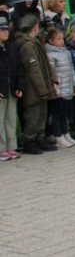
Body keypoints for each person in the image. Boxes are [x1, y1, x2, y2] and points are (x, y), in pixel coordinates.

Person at [15, 14, 57, 154]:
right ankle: (29, 141)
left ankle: (40, 138)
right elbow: (34, 70)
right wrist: (42, 90)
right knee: (33, 115)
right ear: (34, 27)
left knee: (42, 115)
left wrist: (52, 80)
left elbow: (45, 64)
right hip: (33, 89)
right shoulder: (27, 46)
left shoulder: (35, 42)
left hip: (41, 87)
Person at [44, 26, 75, 148]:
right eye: (58, 39)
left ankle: (66, 133)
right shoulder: (49, 55)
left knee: (64, 113)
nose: (62, 41)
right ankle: (58, 135)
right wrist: (56, 89)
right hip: (58, 89)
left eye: (62, 38)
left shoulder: (66, 52)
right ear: (50, 41)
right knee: (57, 113)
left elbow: (72, 70)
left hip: (68, 87)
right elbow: (51, 74)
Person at [0, 17, 22, 159]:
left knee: (11, 117)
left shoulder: (11, 47)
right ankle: (1, 147)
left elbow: (19, 68)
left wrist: (19, 85)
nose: (5, 32)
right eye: (2, 30)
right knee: (0, 119)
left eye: (6, 29)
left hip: (11, 86)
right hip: (1, 88)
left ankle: (11, 145)